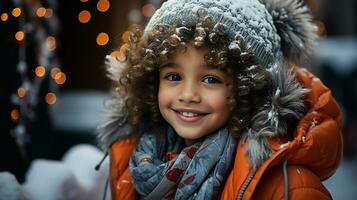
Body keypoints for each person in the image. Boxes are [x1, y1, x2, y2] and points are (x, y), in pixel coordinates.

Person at [98, 0, 343, 199]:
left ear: (249, 87)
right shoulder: (137, 162)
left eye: (211, 79)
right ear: (151, 81)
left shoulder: (288, 187)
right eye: (173, 76)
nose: (188, 94)